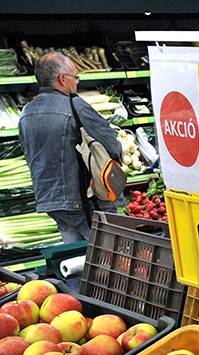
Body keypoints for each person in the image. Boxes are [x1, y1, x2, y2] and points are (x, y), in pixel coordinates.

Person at [19, 52, 122, 243]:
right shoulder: (75, 105)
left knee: (75, 258)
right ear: (62, 79)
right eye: (76, 77)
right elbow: (111, 145)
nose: (77, 83)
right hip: (85, 200)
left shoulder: (27, 112)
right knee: (106, 259)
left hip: (51, 201)